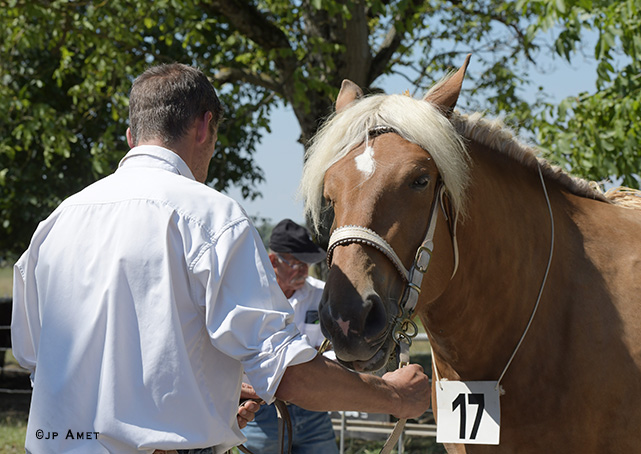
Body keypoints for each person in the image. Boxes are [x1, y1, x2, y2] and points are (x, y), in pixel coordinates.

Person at [11, 63, 430, 454]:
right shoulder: (210, 217)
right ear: (205, 126)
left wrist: (208, 402)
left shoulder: (55, 224)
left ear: (131, 136)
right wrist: (393, 394)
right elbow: (287, 372)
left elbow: (35, 360)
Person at [241, 219, 338, 454]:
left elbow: (335, 346)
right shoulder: (249, 299)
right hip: (261, 409)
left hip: (313, 407)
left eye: (307, 263)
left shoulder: (321, 295)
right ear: (273, 260)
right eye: (297, 263)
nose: (304, 270)